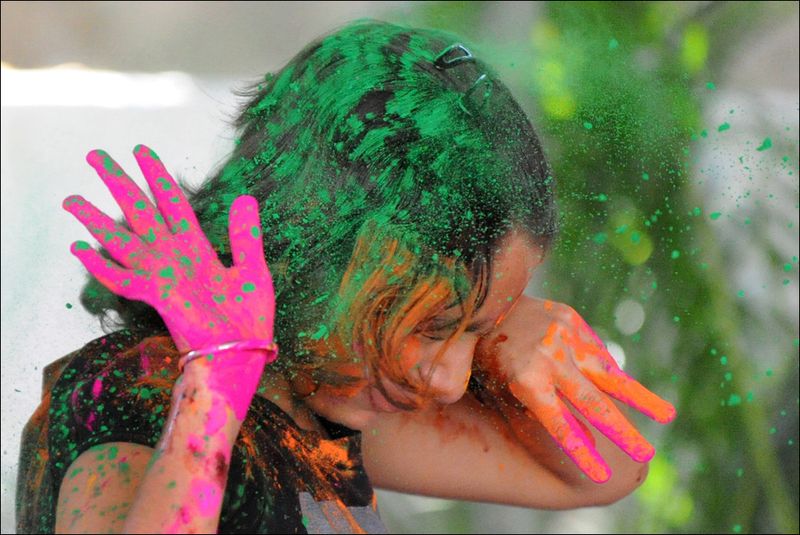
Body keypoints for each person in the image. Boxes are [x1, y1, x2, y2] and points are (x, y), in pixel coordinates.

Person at [17, 19, 676, 534]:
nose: (449, 381)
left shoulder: (315, 405)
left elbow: (602, 471)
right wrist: (217, 375)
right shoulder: (129, 398)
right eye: (431, 326)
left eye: (476, 329)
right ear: (316, 255)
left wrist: (505, 336)